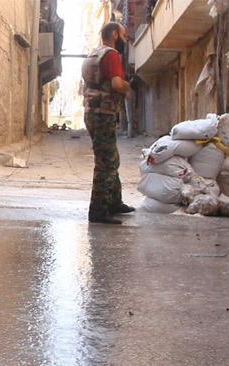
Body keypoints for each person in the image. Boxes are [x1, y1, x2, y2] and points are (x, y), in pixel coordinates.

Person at [81, 22, 136, 224]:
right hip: (103, 114)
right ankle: (98, 211)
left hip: (93, 112)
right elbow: (116, 84)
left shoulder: (94, 55)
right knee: (106, 163)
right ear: (114, 34)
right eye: (123, 34)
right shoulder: (111, 55)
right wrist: (127, 86)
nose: (125, 39)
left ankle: (114, 202)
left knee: (111, 158)